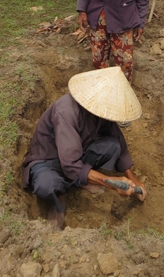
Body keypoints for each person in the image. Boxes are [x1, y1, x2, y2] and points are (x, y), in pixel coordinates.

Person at [21, 67, 147, 231]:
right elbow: (70, 164)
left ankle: (82, 179)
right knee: (46, 184)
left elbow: (118, 140)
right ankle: (59, 200)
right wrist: (112, 182)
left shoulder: (101, 111)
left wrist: (133, 178)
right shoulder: (66, 112)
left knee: (113, 146)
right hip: (49, 160)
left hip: (76, 154)